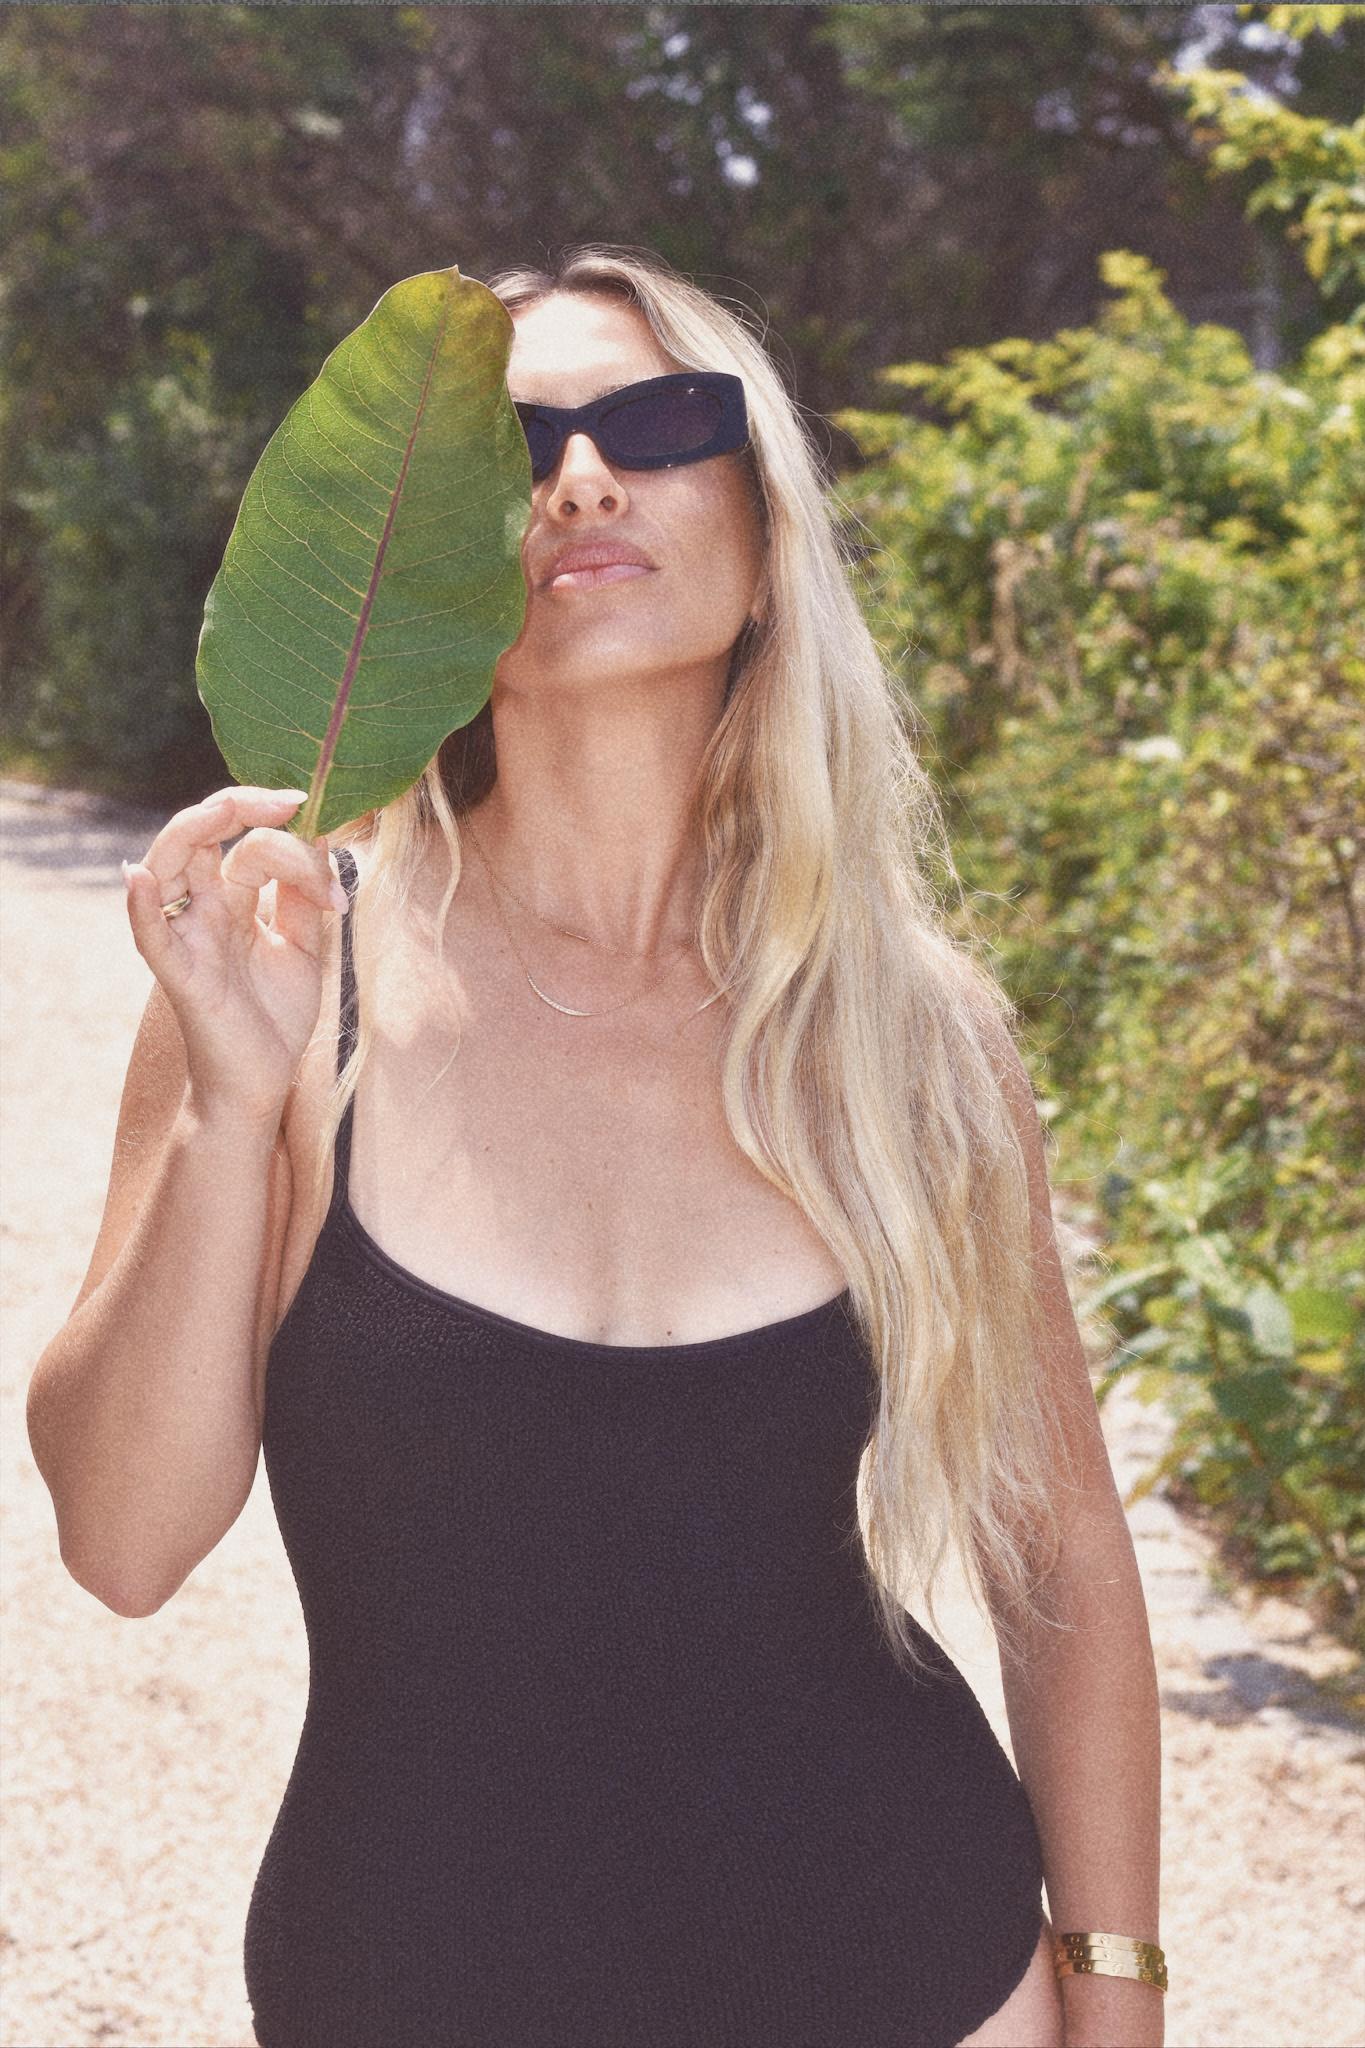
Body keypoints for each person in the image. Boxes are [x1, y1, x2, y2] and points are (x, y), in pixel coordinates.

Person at [27, 244, 1163, 2048]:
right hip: (410, 1990)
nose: (579, 478)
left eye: (659, 421)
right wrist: (230, 1112)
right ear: (426, 562)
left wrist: (1113, 1998)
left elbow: (1061, 1563)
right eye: (517, 446)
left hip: (920, 1978)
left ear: (766, 533)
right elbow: (122, 1544)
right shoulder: (285, 980)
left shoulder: (908, 1033)